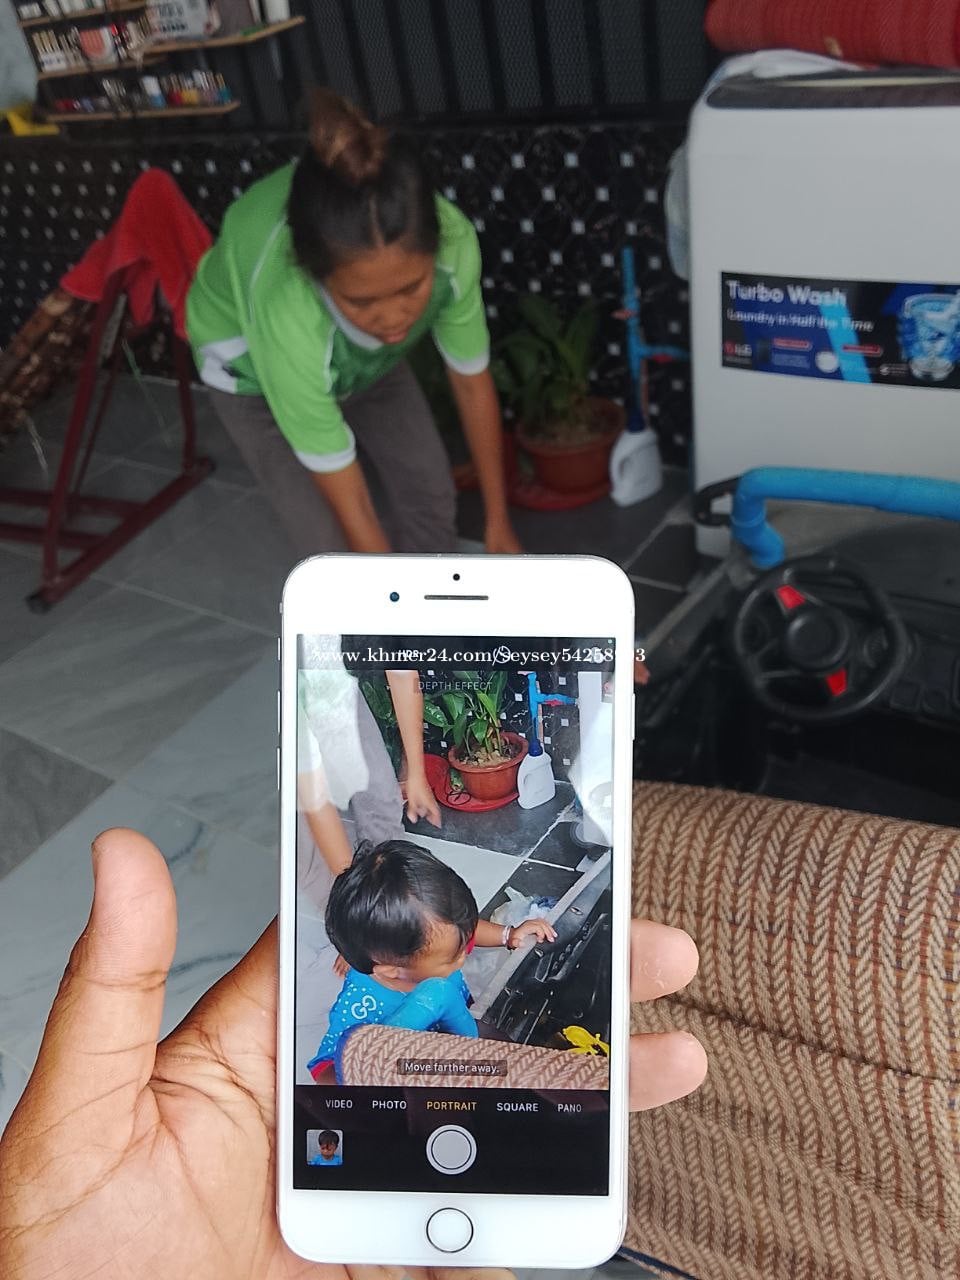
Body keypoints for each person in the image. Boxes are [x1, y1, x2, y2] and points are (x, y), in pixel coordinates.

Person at [0, 827, 707, 1279]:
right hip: (374, 1069)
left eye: (465, 936)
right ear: (388, 968)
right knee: (427, 1038)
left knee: (456, 1015)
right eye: (450, 950)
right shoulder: (367, 1006)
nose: (467, 949)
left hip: (437, 1036)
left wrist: (512, 934)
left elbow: (467, 940)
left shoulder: (442, 957)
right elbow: (359, 1063)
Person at [186, 89, 521, 558]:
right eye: (362, 300)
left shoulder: (454, 244)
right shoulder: (289, 313)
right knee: (330, 546)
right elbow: (354, 512)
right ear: (315, 276)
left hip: (355, 355)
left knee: (430, 496)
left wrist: (498, 523)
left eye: (411, 289)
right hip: (251, 369)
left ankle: (428, 605)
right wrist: (384, 599)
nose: (393, 318)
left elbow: (470, 383)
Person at [307, 840, 557, 1080]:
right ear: (392, 969)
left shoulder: (438, 944)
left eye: (462, 945)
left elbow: (465, 931)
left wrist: (508, 935)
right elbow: (325, 1069)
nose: (463, 957)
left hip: (460, 1020)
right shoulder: (360, 1006)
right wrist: (365, 1070)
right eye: (452, 957)